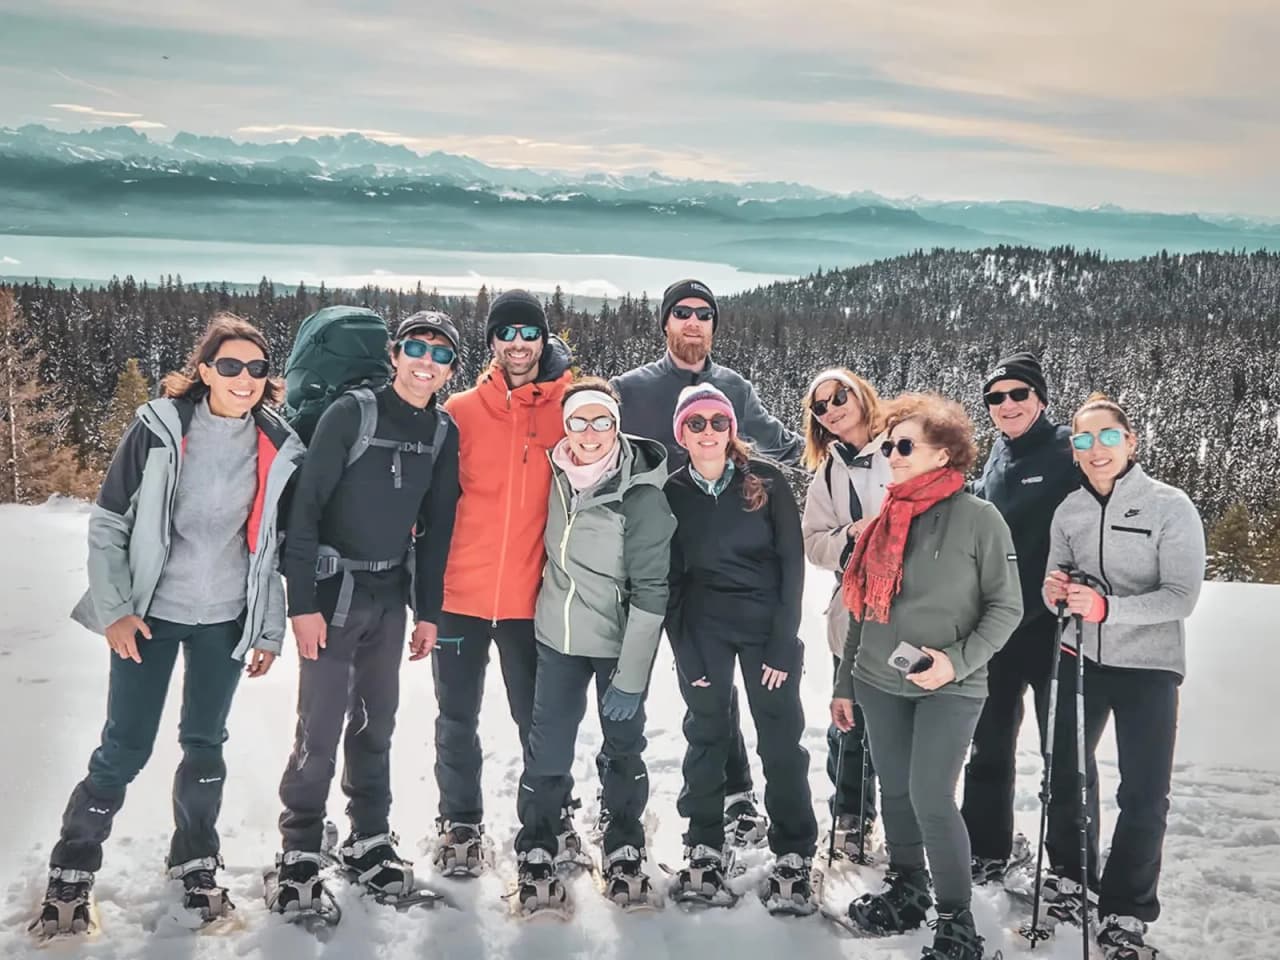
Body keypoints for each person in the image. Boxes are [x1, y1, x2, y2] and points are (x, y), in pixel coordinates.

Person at [35, 315, 304, 936]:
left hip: (224, 619)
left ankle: (196, 861)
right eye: (230, 366)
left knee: (205, 744)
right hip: (149, 616)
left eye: (257, 369)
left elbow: (271, 546)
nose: (244, 379)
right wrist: (116, 612)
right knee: (124, 746)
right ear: (205, 370)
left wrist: (266, 628)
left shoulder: (279, 444)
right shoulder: (158, 430)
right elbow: (108, 523)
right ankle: (73, 868)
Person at [273, 311, 461, 911]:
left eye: (439, 354)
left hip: (389, 596)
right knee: (320, 726)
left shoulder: (442, 432)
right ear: (395, 354)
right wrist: (301, 602)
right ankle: (300, 844)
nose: (425, 361)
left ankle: (369, 837)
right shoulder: (351, 413)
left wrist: (428, 611)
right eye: (415, 348)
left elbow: (436, 532)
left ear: (450, 369)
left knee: (376, 722)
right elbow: (304, 513)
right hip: (333, 594)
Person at [611, 278, 802, 846]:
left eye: (704, 314)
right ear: (666, 322)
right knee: (707, 695)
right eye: (682, 313)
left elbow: (779, 443)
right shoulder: (633, 388)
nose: (693, 323)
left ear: (714, 325)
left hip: (741, 570)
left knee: (745, 701)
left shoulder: (733, 389)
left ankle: (739, 796)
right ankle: (706, 804)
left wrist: (849, 449)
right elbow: (592, 444)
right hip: (669, 566)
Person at [831, 393, 1022, 960]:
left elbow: (1006, 608)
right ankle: (908, 885)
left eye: (905, 445)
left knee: (931, 795)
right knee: (894, 790)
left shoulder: (979, 518)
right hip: (876, 681)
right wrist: (845, 682)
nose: (893, 454)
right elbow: (863, 609)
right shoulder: (884, 518)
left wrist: (956, 662)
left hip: (950, 685)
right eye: (888, 445)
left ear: (944, 453)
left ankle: (957, 919)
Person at [1041, 394, 1204, 960]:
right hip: (1079, 655)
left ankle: (1127, 909)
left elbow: (1181, 597)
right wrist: (1058, 593)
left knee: (1144, 791)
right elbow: (1050, 582)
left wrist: (1109, 609)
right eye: (1083, 441)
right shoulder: (1070, 510)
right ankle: (1070, 875)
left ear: (1130, 441)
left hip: (1148, 666)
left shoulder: (1169, 505)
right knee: (1066, 770)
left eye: (1108, 436)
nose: (1096, 449)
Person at [511, 378, 676, 913]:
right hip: (557, 638)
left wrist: (631, 675)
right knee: (548, 745)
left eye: (601, 420)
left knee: (623, 745)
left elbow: (653, 592)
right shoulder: (553, 472)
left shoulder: (641, 493)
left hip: (615, 642)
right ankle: (538, 841)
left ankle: (625, 838)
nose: (589, 433)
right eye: (578, 420)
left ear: (616, 424)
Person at [431, 290, 575, 875]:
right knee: (456, 717)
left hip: (529, 600)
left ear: (544, 339)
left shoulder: (571, 408)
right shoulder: (460, 411)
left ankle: (552, 814)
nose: (518, 344)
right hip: (459, 598)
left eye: (529, 333)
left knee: (537, 720)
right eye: (506, 333)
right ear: (491, 342)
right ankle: (460, 821)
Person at [663, 384, 818, 912]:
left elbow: (792, 566)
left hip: (763, 625)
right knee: (706, 734)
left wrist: (781, 643)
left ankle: (795, 852)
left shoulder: (766, 481)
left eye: (718, 421)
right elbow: (672, 578)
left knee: (779, 739)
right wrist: (686, 652)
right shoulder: (674, 491)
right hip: (705, 627)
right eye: (697, 423)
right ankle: (704, 844)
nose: (708, 431)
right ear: (681, 432)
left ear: (732, 429)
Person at [961, 351, 1080, 883]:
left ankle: (1070, 870)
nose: (1006, 404)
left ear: (1041, 399)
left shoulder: (1066, 451)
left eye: (1018, 394)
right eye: (995, 397)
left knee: (1065, 758)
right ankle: (984, 848)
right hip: (999, 627)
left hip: (1055, 629)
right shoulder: (998, 454)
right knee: (988, 747)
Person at [799, 368, 892, 858]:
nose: (832, 408)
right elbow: (812, 543)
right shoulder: (829, 472)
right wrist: (851, 537)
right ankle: (852, 813)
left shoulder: (901, 446)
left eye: (839, 396)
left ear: (860, 394)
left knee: (897, 720)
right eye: (820, 406)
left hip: (908, 608)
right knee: (848, 717)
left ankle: (903, 817)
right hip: (852, 608)